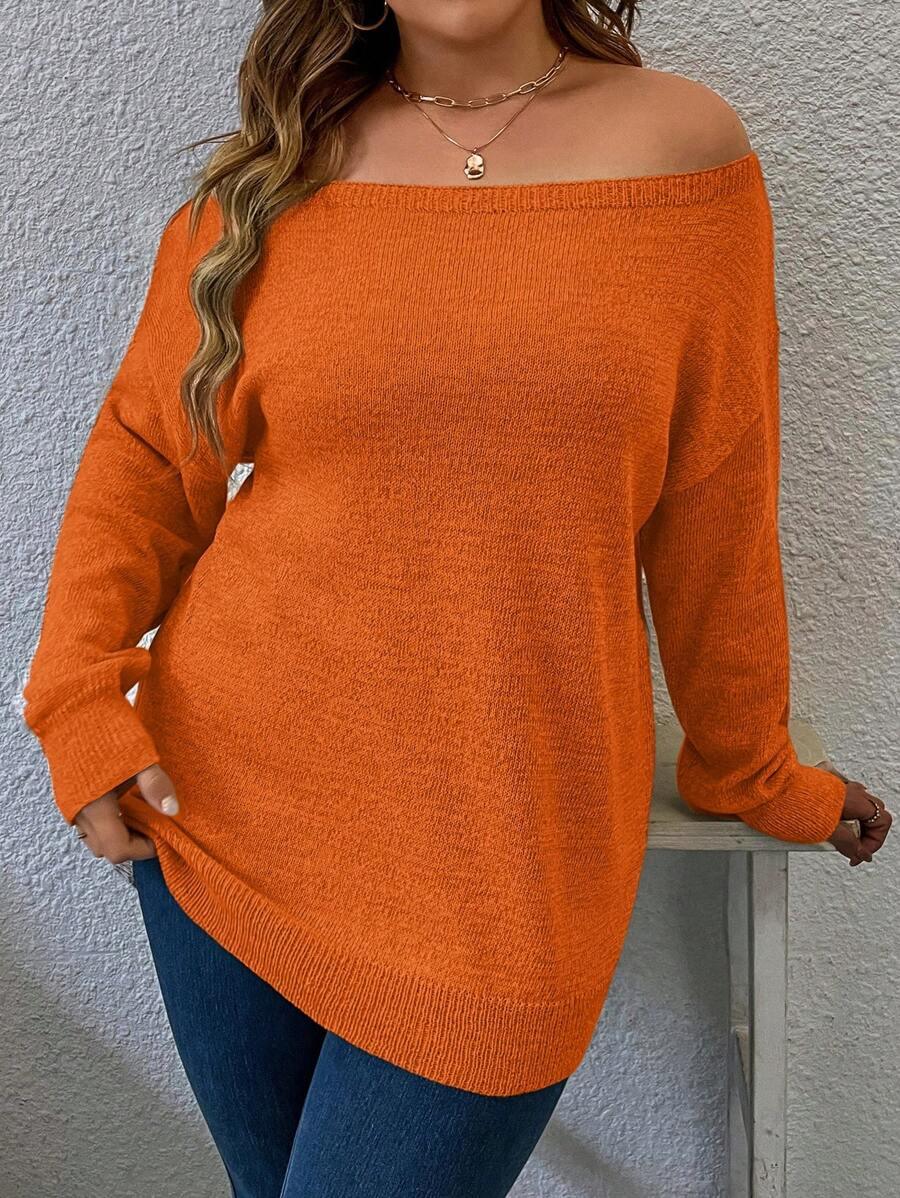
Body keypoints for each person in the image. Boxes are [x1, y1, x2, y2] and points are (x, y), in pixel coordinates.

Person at [21, 2, 892, 1196]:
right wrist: (77, 702)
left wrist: (750, 768)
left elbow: (719, 501)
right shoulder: (281, 171)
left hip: (508, 862)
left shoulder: (683, 153)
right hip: (223, 814)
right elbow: (143, 455)